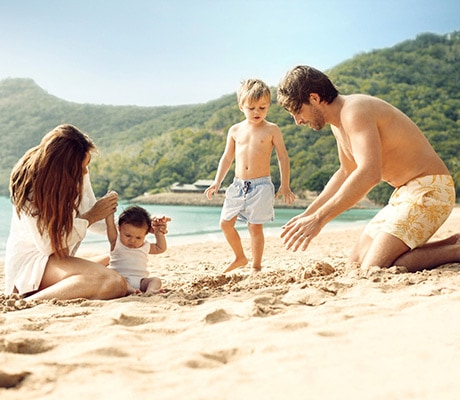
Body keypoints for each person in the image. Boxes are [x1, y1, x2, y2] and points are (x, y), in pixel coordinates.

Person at [277, 65, 457, 272]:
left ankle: (456, 251)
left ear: (315, 98)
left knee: (375, 267)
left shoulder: (355, 111)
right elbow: (346, 172)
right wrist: (308, 214)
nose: (298, 121)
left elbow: (369, 173)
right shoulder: (338, 124)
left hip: (430, 190)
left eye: (298, 111)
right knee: (355, 263)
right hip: (404, 194)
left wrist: (320, 219)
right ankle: (452, 242)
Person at [4, 124, 128, 300]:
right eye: (82, 167)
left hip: (58, 260)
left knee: (121, 258)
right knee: (114, 283)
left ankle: (66, 284)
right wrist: (92, 215)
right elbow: (47, 245)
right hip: (33, 265)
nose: (86, 171)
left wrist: (140, 226)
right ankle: (28, 302)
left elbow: (95, 219)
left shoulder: (78, 175)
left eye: (87, 165)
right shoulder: (30, 187)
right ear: (63, 167)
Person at [205, 79, 296, 273]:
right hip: (238, 185)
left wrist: (285, 184)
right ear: (241, 106)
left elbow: (283, 157)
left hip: (261, 185)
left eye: (262, 108)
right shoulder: (235, 130)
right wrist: (216, 182)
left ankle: (256, 266)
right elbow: (227, 157)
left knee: (255, 228)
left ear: (269, 106)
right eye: (252, 107)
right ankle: (240, 257)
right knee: (225, 223)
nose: (257, 112)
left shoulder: (272, 129)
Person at [106, 205, 170, 295]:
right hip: (121, 279)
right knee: (116, 281)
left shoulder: (145, 246)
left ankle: (150, 290)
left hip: (140, 281)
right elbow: (109, 224)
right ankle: (130, 290)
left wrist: (158, 232)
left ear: (146, 234)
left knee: (156, 280)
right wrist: (109, 210)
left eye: (138, 237)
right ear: (119, 229)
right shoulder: (116, 242)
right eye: (128, 236)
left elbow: (161, 248)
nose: (132, 240)